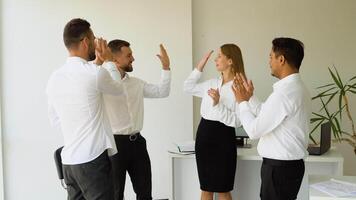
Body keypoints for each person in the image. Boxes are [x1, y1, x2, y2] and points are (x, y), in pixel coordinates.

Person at [46, 18, 124, 200]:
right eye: (93, 38)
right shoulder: (95, 73)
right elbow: (118, 88)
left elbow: (55, 119)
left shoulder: (55, 78)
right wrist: (110, 61)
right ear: (86, 42)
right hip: (93, 160)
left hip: (70, 162)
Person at [232, 37, 311, 200]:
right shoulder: (296, 88)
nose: (269, 61)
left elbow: (254, 131)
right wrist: (250, 99)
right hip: (286, 168)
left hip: (279, 170)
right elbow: (269, 114)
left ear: (281, 59)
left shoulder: (284, 94)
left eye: (271, 57)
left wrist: (242, 103)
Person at [97, 39, 171, 200]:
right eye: (129, 55)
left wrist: (166, 67)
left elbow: (162, 92)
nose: (133, 59)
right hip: (114, 146)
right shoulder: (102, 83)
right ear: (115, 59)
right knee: (115, 195)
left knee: (145, 194)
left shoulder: (136, 83)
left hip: (137, 144)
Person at [183, 44, 245, 200]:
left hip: (224, 137)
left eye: (219, 56)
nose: (215, 59)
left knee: (223, 189)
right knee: (206, 188)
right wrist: (200, 65)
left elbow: (237, 121)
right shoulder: (211, 83)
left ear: (230, 61)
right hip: (204, 135)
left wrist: (218, 105)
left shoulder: (240, 87)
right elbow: (187, 87)